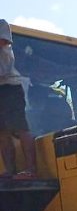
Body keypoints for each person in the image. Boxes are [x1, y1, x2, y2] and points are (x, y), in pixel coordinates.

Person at [0, 19, 36, 179]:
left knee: (21, 127)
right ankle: (10, 171)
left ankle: (31, 170)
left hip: (10, 86)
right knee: (2, 133)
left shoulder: (1, 24)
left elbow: (3, 40)